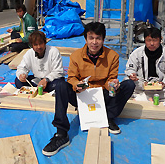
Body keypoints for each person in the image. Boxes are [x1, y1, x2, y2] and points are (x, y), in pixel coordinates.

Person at [42, 22, 135, 157]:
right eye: (91, 38)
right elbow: (72, 77)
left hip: (102, 94)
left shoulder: (112, 56)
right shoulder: (76, 56)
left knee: (129, 84)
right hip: (81, 95)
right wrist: (76, 85)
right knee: (60, 84)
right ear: (85, 39)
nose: (94, 42)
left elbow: (111, 78)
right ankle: (61, 133)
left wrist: (112, 84)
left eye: (98, 38)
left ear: (103, 39)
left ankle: (108, 117)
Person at [125, 27, 165, 102]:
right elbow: (130, 68)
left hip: (159, 85)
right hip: (142, 83)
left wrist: (164, 83)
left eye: (155, 40)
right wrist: (132, 75)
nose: (152, 43)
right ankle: (150, 97)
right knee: (126, 82)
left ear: (160, 40)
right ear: (144, 40)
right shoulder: (137, 53)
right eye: (149, 40)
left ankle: (143, 97)